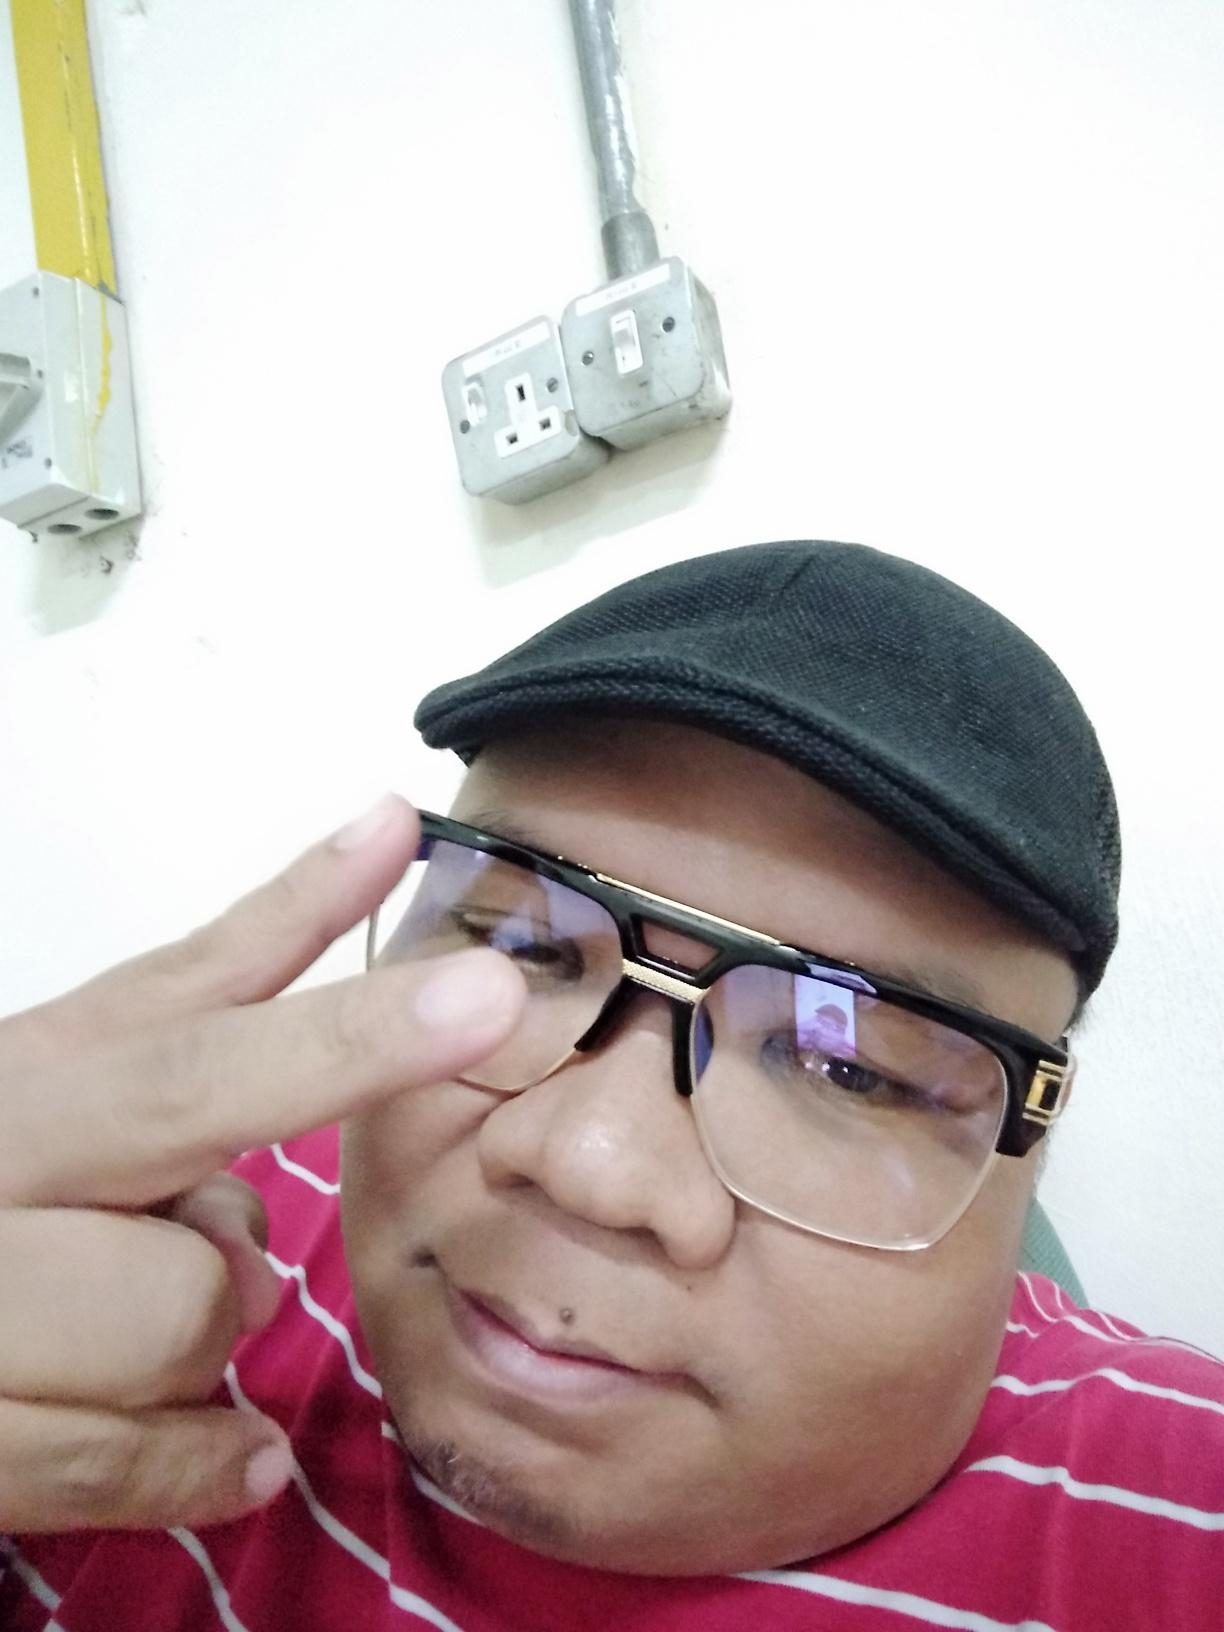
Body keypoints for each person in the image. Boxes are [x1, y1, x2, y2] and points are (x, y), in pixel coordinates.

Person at [1, 540, 1221, 1630]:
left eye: (845, 1062)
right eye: (523, 945)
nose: (588, 1164)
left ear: (1033, 1144)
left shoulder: (1174, 1517)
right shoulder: (177, 1245)